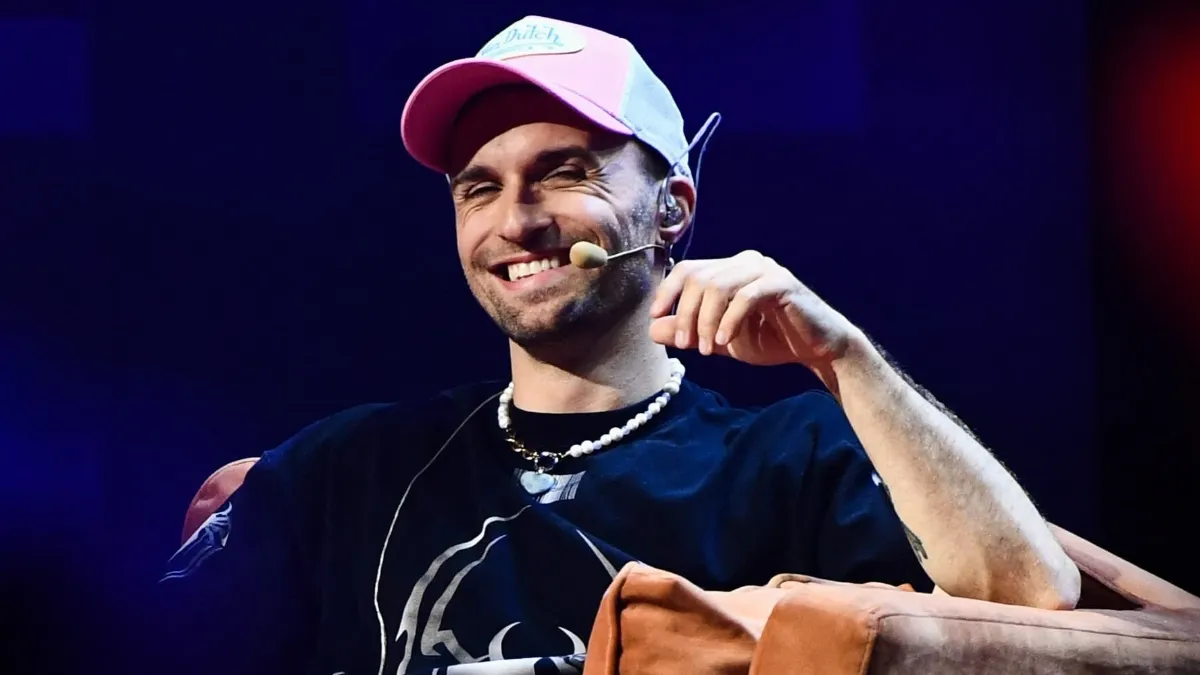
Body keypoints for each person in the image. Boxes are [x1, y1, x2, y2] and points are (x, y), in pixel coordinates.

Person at [154, 15, 1080, 675]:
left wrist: (847, 358)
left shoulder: (791, 459)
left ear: (672, 209)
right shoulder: (347, 468)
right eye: (478, 187)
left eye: (564, 171)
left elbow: (1030, 597)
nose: (516, 220)